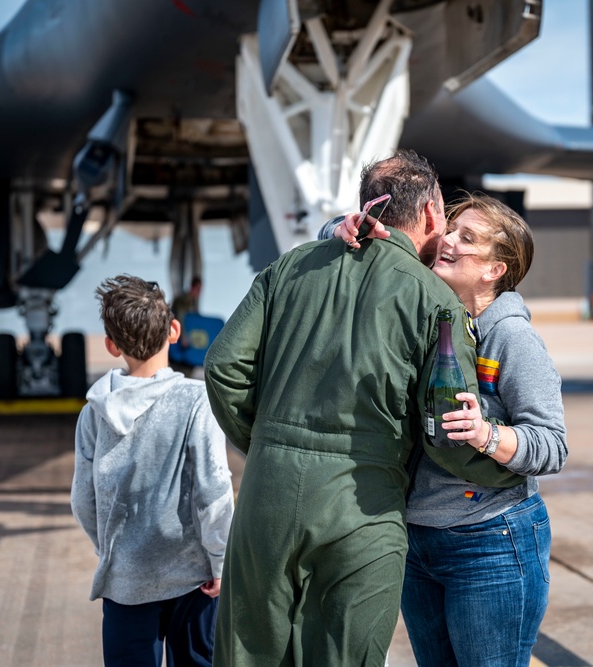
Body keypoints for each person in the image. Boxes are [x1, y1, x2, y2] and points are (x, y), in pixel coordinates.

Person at [204, 150, 521, 667]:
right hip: (361, 507)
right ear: (430, 214)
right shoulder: (433, 299)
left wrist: (267, 443)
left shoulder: (288, 267)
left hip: (267, 496)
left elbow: (222, 368)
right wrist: (510, 470)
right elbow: (447, 427)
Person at [330, 192, 567, 666]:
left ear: (494, 270)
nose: (447, 241)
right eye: (451, 229)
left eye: (468, 237)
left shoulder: (510, 338)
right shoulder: (431, 312)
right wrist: (338, 227)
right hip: (418, 543)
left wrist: (486, 434)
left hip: (490, 543)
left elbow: (553, 445)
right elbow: (369, 246)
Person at [71, 274, 234, 667]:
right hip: (193, 580)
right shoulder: (197, 401)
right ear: (175, 330)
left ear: (112, 346)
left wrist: (113, 552)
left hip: (125, 582)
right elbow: (213, 491)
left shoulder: (94, 412)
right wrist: (221, 562)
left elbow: (83, 499)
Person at [170, 276, 203, 376]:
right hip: (179, 340)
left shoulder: (191, 301)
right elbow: (180, 317)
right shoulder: (184, 299)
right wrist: (184, 336)